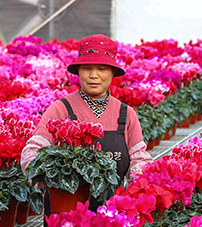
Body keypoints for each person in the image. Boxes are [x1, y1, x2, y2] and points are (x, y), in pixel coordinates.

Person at [20, 34, 152, 214]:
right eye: (87, 68)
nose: (93, 75)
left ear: (113, 72)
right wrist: (51, 180)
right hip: (65, 212)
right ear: (78, 71)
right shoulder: (61, 109)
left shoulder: (126, 114)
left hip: (112, 214)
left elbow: (140, 160)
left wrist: (133, 194)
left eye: (102, 69)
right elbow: (32, 152)